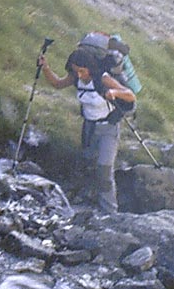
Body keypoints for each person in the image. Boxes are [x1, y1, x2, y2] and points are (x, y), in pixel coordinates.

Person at [38, 46, 136, 213]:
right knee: (88, 164)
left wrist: (113, 92)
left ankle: (110, 212)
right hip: (89, 128)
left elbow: (130, 95)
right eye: (76, 71)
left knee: (104, 168)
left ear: (90, 68)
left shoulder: (102, 78)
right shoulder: (76, 77)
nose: (79, 75)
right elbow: (57, 84)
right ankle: (87, 201)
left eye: (82, 71)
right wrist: (45, 67)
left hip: (108, 129)